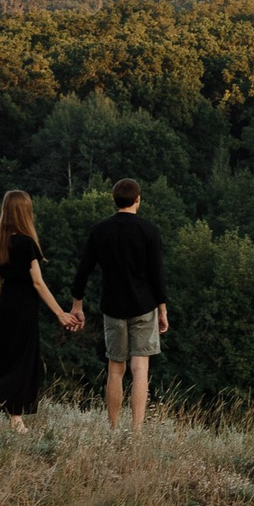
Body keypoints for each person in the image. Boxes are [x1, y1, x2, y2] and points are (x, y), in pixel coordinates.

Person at [0, 189, 82, 434]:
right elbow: (38, 283)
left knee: (11, 361)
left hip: (6, 304)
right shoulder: (27, 242)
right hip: (24, 305)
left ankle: (16, 419)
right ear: (25, 212)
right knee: (24, 364)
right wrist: (60, 313)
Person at [67, 177, 169, 433]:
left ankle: (113, 428)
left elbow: (83, 270)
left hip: (112, 307)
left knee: (115, 368)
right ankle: (136, 431)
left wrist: (77, 305)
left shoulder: (101, 230)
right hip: (143, 306)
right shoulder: (149, 230)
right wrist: (163, 310)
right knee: (140, 368)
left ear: (114, 200)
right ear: (138, 200)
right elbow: (157, 274)